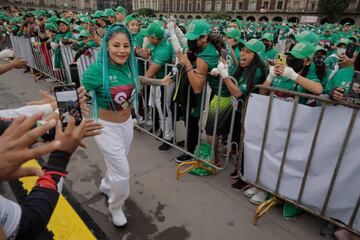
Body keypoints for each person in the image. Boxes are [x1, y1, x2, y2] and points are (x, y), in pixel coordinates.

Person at [81, 23, 172, 227]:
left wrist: (160, 82)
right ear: (106, 46)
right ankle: (115, 206)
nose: (122, 50)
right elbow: (78, 92)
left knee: (118, 162)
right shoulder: (96, 70)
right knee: (122, 172)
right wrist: (71, 103)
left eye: (126, 46)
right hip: (105, 128)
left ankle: (106, 184)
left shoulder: (128, 66)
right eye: (116, 45)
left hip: (126, 125)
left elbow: (137, 80)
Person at [177, 19, 231, 166]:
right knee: (218, 130)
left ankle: (214, 162)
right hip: (225, 90)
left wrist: (188, 65)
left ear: (204, 38)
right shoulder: (217, 46)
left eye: (193, 39)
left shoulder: (203, 58)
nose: (190, 41)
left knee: (210, 132)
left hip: (224, 95)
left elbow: (197, 88)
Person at [217, 39, 266, 190]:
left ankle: (245, 175)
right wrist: (220, 71)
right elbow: (233, 79)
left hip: (252, 113)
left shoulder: (257, 71)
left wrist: (224, 75)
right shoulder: (244, 67)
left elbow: (237, 91)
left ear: (257, 56)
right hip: (240, 111)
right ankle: (240, 170)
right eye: (242, 50)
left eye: (248, 51)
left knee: (246, 144)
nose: (243, 54)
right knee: (239, 140)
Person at [143, 22, 175, 151]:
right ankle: (163, 130)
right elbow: (146, 55)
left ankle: (168, 137)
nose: (146, 38)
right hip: (159, 81)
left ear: (154, 38)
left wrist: (138, 82)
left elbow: (149, 73)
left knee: (164, 109)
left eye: (148, 36)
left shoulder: (162, 50)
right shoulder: (158, 43)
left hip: (164, 83)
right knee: (158, 107)